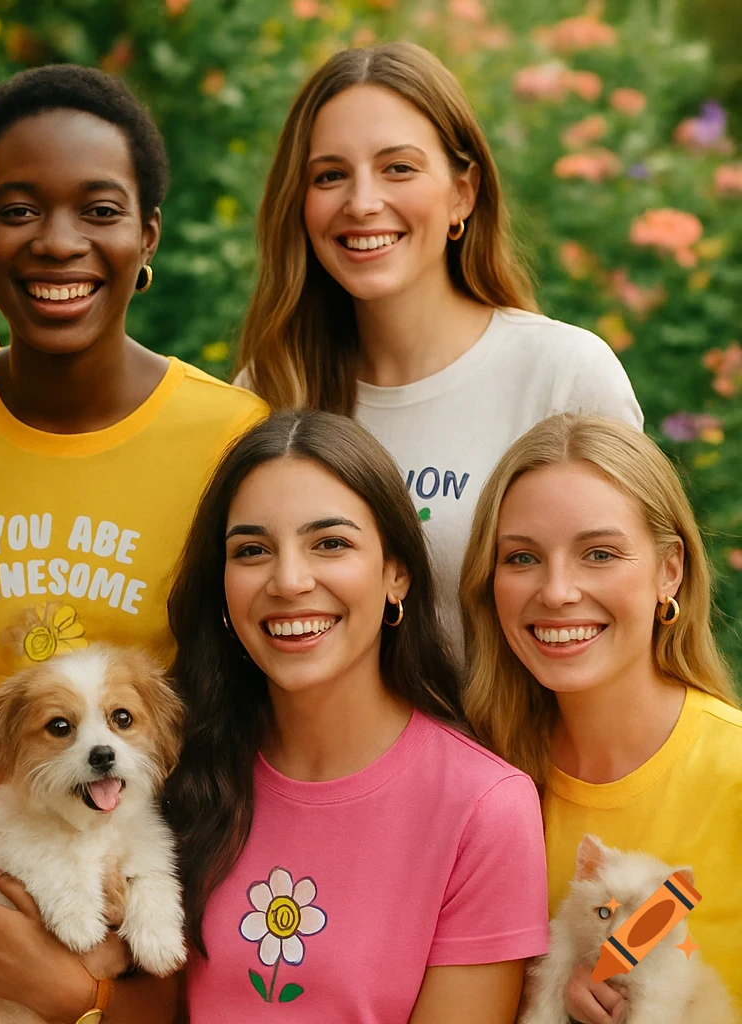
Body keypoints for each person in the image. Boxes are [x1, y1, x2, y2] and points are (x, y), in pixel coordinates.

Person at [233, 41, 641, 656]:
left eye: (398, 168)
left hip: (520, 753)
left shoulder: (564, 378)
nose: (362, 202)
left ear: (462, 194)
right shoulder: (268, 391)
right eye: (330, 175)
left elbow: (630, 615)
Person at [0, 64, 267, 684]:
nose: (59, 243)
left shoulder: (231, 438)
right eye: (19, 211)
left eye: (98, 210)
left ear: (147, 238)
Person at [168, 411, 547, 1021]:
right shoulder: (171, 766)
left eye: (331, 543)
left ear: (396, 572)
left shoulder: (484, 808)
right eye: (252, 550)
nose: (289, 580)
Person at [460, 413, 742, 1020]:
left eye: (599, 553)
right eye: (522, 558)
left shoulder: (734, 773)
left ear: (670, 570)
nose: (558, 591)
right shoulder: (472, 783)